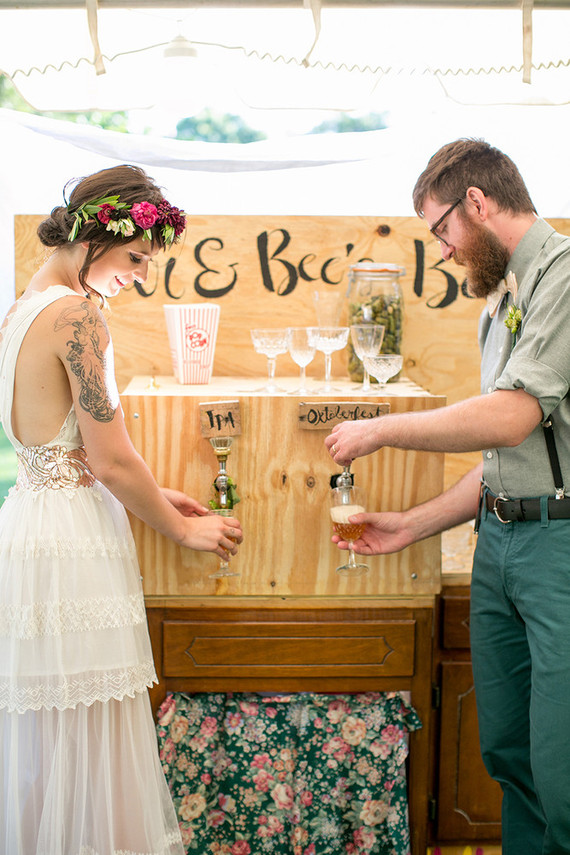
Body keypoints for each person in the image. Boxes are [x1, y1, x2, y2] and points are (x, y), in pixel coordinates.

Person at [325, 139, 570, 854]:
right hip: (499, 545)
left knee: (561, 773)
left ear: (477, 203)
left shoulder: (562, 279)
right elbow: (507, 457)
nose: (442, 251)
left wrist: (383, 428)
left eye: (440, 230)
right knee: (509, 755)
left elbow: (511, 414)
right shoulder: (502, 303)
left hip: (558, 549)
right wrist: (413, 524)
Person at [0, 164, 243, 854]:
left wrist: (153, 490)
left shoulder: (22, 307)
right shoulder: (78, 316)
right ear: (95, 236)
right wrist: (184, 526)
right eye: (136, 259)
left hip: (27, 526)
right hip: (72, 542)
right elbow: (107, 458)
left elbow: (62, 448)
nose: (139, 276)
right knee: (94, 728)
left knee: (50, 738)